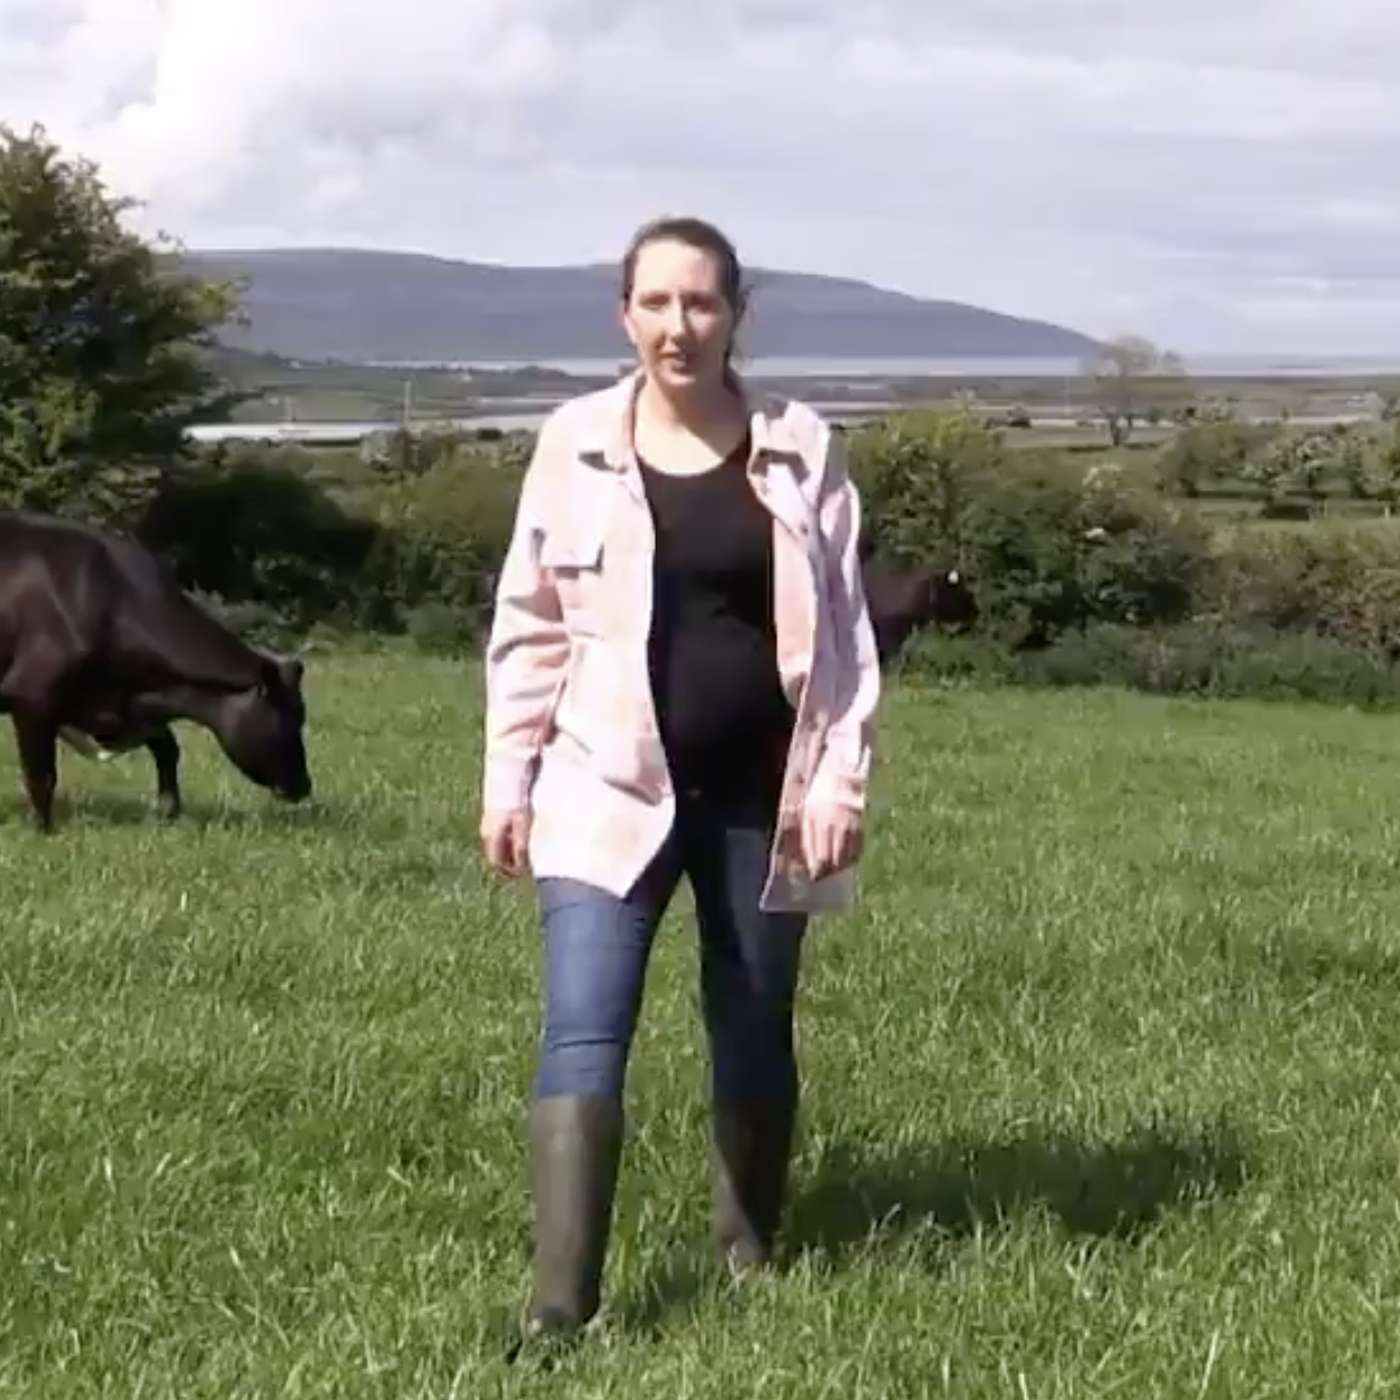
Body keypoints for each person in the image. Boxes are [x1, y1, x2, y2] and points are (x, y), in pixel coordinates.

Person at [479, 215, 881, 1345]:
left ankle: (749, 1253)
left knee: (753, 1024)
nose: (677, 325)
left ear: (734, 314)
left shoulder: (801, 445)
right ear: (624, 316)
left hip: (768, 795)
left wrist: (838, 782)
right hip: (600, 788)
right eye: (654, 303)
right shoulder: (571, 442)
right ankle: (563, 1307)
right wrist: (507, 776)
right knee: (582, 1027)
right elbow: (530, 624)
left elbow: (844, 637)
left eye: (699, 302)